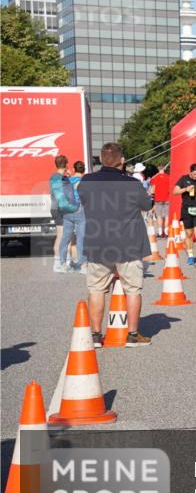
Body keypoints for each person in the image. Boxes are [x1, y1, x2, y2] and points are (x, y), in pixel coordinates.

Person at [76, 143, 153, 347]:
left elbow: (82, 200)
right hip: (128, 245)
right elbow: (147, 205)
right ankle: (133, 335)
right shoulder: (133, 184)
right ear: (122, 160)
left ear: (101, 160)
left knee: (97, 289)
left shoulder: (87, 182)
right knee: (133, 289)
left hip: (97, 244)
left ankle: (95, 336)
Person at [49, 155, 82, 273]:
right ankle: (58, 263)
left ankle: (64, 262)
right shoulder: (60, 178)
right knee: (62, 237)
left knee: (64, 236)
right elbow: (63, 197)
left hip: (56, 208)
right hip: (61, 209)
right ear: (66, 164)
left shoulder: (55, 177)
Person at [172, 163, 196, 265]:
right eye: (194, 174)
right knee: (189, 234)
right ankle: (190, 255)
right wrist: (185, 189)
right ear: (190, 172)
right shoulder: (184, 179)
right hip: (187, 210)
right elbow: (175, 192)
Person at [65, 160, 87, 271]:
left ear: (74, 169)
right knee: (81, 237)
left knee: (69, 238)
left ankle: (69, 261)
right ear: (84, 170)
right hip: (80, 209)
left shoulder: (68, 180)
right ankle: (82, 263)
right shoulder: (84, 181)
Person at [148, 166, 171, 237]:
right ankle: (167, 232)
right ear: (165, 169)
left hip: (158, 199)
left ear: (158, 169)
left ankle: (160, 232)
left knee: (159, 216)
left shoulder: (155, 178)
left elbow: (152, 186)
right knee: (167, 216)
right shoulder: (169, 177)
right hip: (167, 198)